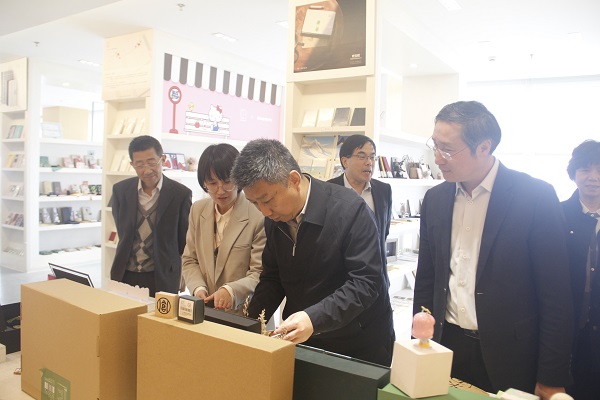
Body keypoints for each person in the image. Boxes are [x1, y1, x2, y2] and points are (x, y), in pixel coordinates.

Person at [412, 101, 573, 399]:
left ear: (484, 147)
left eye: (448, 149)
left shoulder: (535, 197)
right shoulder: (435, 199)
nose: (437, 158)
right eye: (434, 145)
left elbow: (557, 297)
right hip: (445, 346)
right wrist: (419, 342)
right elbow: (427, 278)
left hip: (512, 354)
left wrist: (551, 376)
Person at [231, 138, 395, 366]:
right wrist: (248, 326)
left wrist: (313, 318)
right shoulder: (275, 219)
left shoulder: (350, 210)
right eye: (255, 203)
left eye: (267, 200)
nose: (264, 212)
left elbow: (366, 282)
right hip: (305, 338)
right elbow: (272, 278)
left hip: (357, 342)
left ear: (294, 180)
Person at [182, 144, 266, 314]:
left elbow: (260, 272)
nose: (220, 191)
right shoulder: (197, 210)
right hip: (205, 311)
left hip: (244, 312)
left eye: (227, 181)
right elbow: (190, 259)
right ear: (204, 183)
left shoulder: (258, 214)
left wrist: (230, 290)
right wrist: (198, 288)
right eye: (212, 183)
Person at [111, 135, 192, 296]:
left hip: (162, 275)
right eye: (140, 164)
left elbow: (184, 240)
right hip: (125, 273)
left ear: (162, 159)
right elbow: (122, 231)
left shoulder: (180, 194)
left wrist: (183, 272)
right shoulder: (120, 191)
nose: (147, 170)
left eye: (151, 162)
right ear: (132, 165)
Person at [562, 140, 600, 400]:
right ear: (574, 173)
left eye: (599, 170)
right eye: (585, 169)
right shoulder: (556, 214)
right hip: (568, 327)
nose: (593, 177)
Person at [328, 134, 393, 286]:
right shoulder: (328, 190)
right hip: (340, 281)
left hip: (376, 278)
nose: (369, 162)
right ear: (345, 161)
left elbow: (384, 231)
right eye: (362, 156)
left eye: (372, 157)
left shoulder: (383, 190)